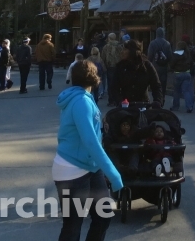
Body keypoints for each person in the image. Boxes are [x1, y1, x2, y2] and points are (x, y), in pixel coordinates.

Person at [54, 60, 123, 241]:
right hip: (72, 170)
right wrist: (114, 175)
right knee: (73, 226)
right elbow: (90, 141)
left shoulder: (83, 97)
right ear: (94, 77)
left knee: (104, 215)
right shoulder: (80, 101)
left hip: (89, 167)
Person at [112, 40, 163, 105]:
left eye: (125, 49)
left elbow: (156, 86)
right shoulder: (120, 67)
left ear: (132, 51)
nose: (122, 52)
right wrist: (119, 101)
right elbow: (114, 87)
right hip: (125, 107)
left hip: (144, 105)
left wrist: (158, 101)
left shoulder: (147, 66)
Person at [147, 27, 172, 106]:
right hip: (164, 67)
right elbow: (170, 56)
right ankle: (162, 98)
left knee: (155, 84)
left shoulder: (152, 43)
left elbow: (150, 56)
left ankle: (156, 100)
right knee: (163, 84)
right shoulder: (167, 43)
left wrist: (148, 65)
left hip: (154, 66)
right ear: (163, 34)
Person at [169, 41, 194, 113]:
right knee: (187, 91)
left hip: (177, 74)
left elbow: (171, 65)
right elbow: (192, 64)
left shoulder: (174, 54)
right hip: (187, 74)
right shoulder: (187, 54)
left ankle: (175, 106)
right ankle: (189, 107)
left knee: (176, 92)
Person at [101, 33, 124, 106]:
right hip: (119, 67)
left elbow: (103, 57)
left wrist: (104, 66)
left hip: (110, 67)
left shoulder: (106, 47)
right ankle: (118, 100)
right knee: (118, 84)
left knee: (110, 84)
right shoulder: (120, 46)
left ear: (109, 38)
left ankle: (111, 100)